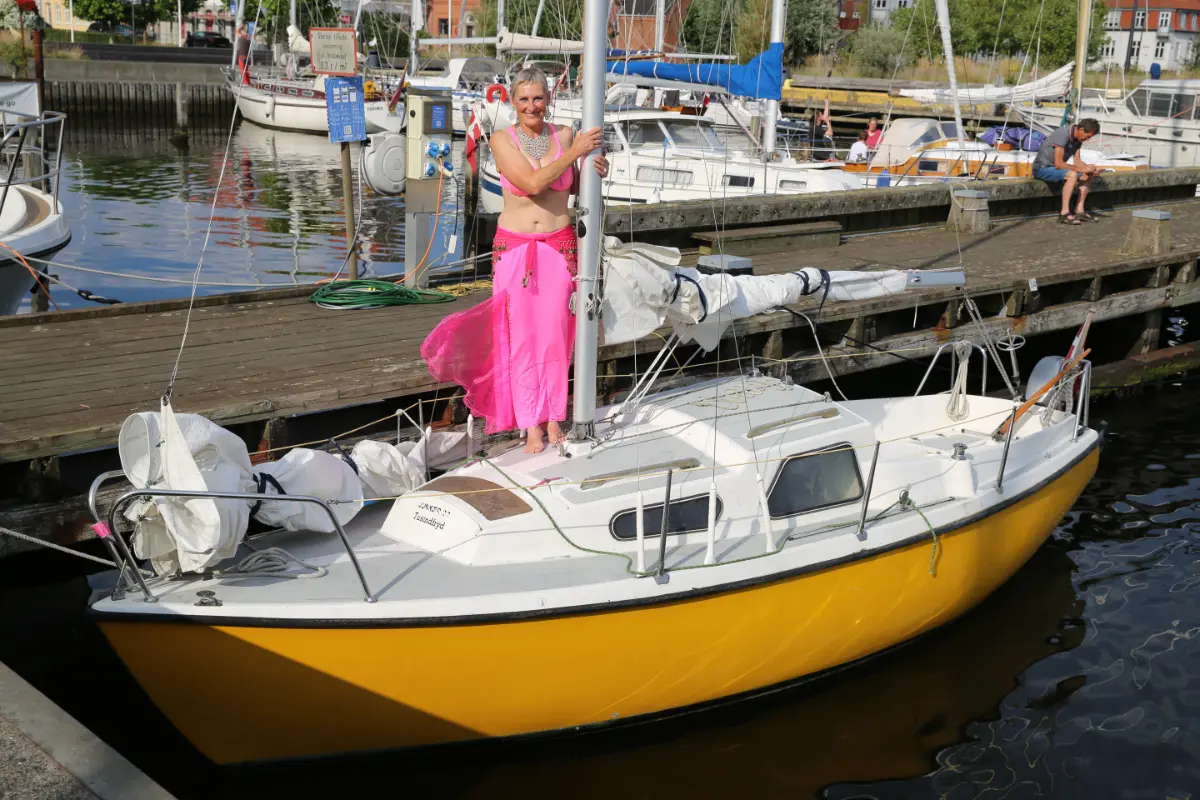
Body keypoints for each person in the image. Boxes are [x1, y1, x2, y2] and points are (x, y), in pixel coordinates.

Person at [421, 68, 609, 454]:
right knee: (521, 339)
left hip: (560, 244)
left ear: (548, 99)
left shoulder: (565, 136)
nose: (531, 106)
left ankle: (555, 415)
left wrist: (596, 168)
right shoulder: (502, 140)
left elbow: (572, 183)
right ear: (512, 102)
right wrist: (573, 155)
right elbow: (532, 183)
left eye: (538, 98)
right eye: (523, 99)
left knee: (557, 334)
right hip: (516, 248)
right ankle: (530, 424)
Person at [1033, 118, 1102, 225]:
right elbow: (1059, 164)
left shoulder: (1078, 139)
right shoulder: (1063, 134)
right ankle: (1064, 213)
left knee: (1087, 175)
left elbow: (1077, 162)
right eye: (1088, 136)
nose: (1088, 139)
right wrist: (1082, 169)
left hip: (1055, 169)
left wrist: (1090, 168)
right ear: (1081, 130)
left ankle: (1079, 211)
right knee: (1072, 175)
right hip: (1042, 168)